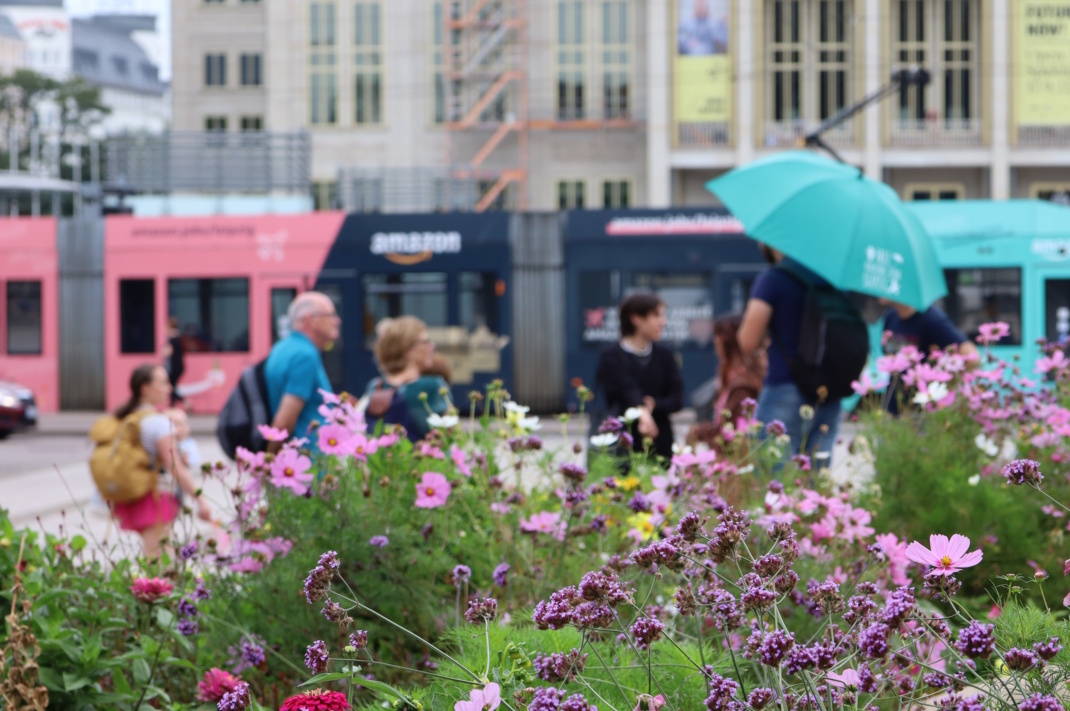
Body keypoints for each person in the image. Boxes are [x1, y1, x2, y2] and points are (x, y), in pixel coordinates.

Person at [737, 244, 842, 460]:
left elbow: (747, 342)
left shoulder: (774, 278)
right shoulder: (831, 278)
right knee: (817, 478)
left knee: (772, 475)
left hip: (786, 386)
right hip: (831, 390)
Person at [110, 364, 212, 558]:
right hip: (155, 498)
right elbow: (176, 468)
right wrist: (201, 501)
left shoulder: (130, 418)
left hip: (136, 495)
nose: (169, 388)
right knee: (160, 565)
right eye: (164, 383)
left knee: (154, 558)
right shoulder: (158, 423)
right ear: (145, 388)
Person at [595, 293, 684, 459]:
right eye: (657, 315)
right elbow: (625, 388)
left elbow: (677, 399)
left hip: (660, 443)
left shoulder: (665, 354)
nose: (663, 322)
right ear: (636, 318)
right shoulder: (611, 355)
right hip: (622, 447)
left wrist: (654, 404)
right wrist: (642, 411)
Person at [265, 292, 338, 452]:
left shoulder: (281, 347)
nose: (336, 321)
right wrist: (268, 462)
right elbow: (284, 420)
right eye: (330, 315)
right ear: (310, 320)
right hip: (310, 464)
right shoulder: (304, 356)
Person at [880, 298, 978, 414]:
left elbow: (972, 356)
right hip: (894, 404)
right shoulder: (891, 316)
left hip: (923, 410)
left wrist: (950, 386)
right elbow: (889, 354)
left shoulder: (931, 318)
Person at [364, 316, 450, 441]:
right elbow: (452, 435)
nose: (432, 346)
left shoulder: (376, 386)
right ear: (410, 350)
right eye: (426, 341)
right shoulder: (433, 386)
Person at [688, 315, 766, 450]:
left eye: (717, 335)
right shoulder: (733, 376)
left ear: (727, 342)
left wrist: (699, 432)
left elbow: (732, 434)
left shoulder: (742, 385)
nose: (715, 341)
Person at [166, 408, 202, 473]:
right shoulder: (166, 443)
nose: (183, 428)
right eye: (177, 424)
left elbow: (196, 460)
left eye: (185, 423)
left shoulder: (190, 442)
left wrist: (188, 461)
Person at [162, 316, 185, 407]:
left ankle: (184, 401)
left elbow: (167, 352)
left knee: (171, 387)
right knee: (173, 386)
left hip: (174, 366)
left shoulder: (172, 338)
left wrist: (163, 352)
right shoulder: (179, 337)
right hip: (179, 365)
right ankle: (173, 405)